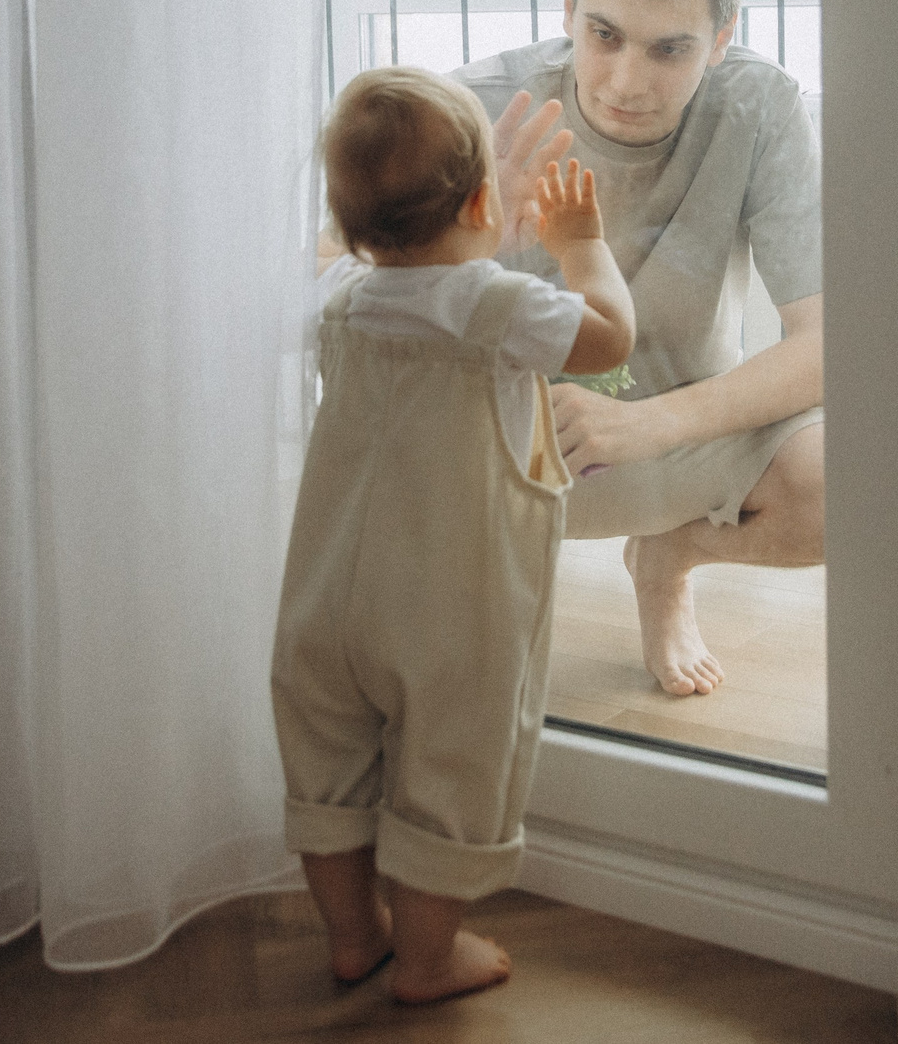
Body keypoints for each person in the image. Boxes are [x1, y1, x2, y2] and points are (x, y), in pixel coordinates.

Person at [272, 66, 636, 1005]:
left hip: (325, 598)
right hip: (449, 605)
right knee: (448, 771)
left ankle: (355, 938)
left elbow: (385, 250)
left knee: (331, 772)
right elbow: (610, 341)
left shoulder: (342, 295)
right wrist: (580, 245)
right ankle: (429, 959)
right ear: (484, 201)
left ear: (351, 229)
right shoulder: (496, 307)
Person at [456, 0, 823, 699]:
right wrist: (467, 236)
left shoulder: (761, 106)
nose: (627, 79)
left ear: (721, 38)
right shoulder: (478, 105)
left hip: (677, 435)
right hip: (505, 446)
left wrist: (650, 425)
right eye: (604, 34)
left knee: (853, 482)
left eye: (670, 49)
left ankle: (670, 559)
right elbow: (330, 275)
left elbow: (833, 341)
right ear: (567, 10)